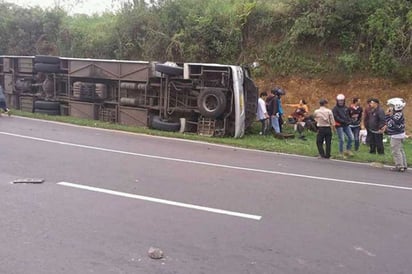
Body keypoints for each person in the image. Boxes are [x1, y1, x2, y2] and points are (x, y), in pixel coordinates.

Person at [385, 98, 407, 172]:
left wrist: (387, 116)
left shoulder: (397, 115)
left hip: (396, 135)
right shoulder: (398, 114)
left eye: (392, 106)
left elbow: (390, 124)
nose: (390, 107)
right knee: (400, 149)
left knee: (396, 151)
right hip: (400, 134)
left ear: (397, 106)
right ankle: (404, 165)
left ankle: (399, 166)